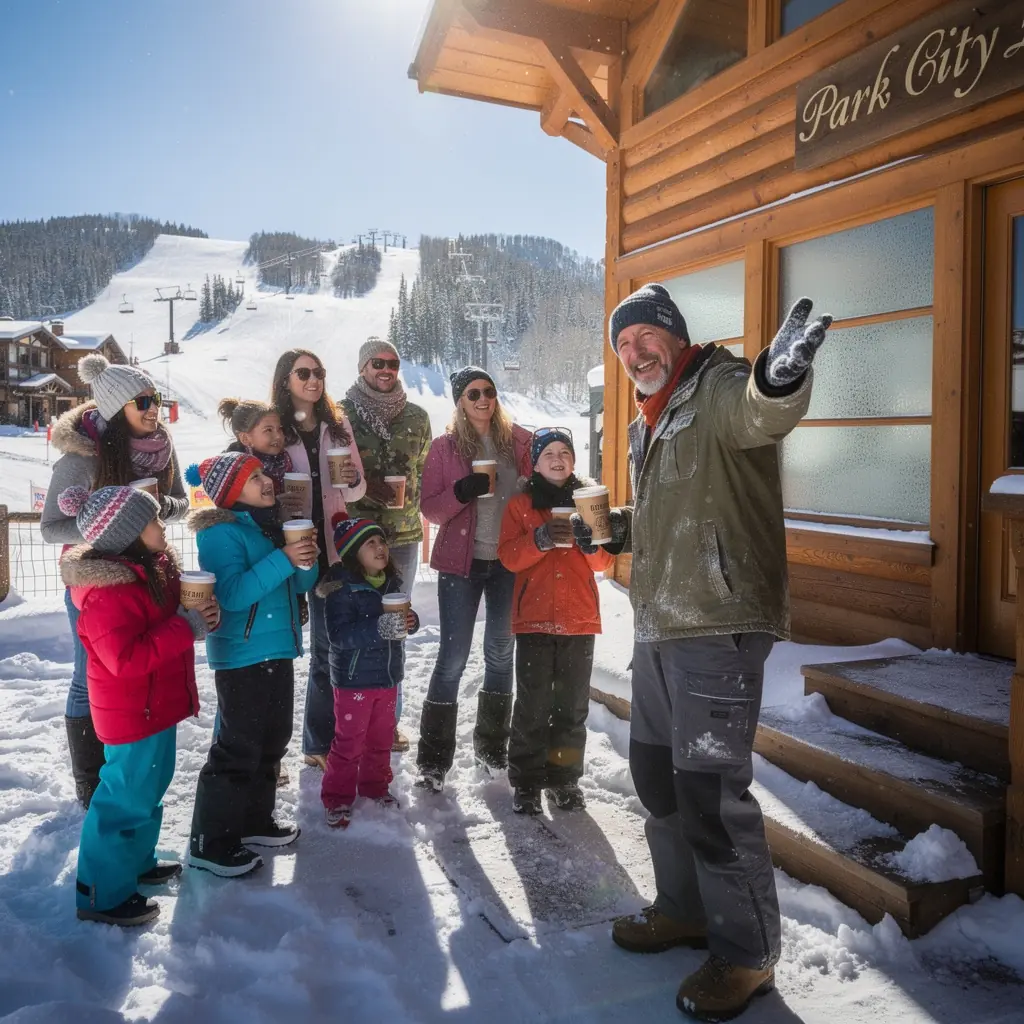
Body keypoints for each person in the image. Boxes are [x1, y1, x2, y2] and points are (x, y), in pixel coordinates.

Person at [574, 284, 831, 1021]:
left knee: (713, 798)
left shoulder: (717, 385)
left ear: (674, 336)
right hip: (659, 624)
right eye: (622, 346)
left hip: (716, 626)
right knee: (658, 779)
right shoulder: (645, 423)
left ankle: (747, 955)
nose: (634, 354)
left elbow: (761, 413)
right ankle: (685, 909)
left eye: (646, 337)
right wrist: (618, 529)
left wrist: (780, 378)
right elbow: (679, 510)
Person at [59, 484, 216, 926]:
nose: (161, 527)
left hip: (154, 706)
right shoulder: (108, 593)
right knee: (122, 800)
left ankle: (135, 863)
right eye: (152, 522)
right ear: (127, 535)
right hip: (131, 713)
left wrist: (196, 613)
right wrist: (186, 628)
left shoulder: (151, 570)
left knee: (149, 789)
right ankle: (100, 895)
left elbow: (167, 621)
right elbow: (125, 659)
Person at [40, 353, 189, 809]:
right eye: (142, 401)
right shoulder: (82, 456)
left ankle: (128, 766)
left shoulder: (161, 446)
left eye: (156, 399)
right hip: (95, 577)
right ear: (114, 409)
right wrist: (111, 522)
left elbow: (182, 502)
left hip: (147, 574)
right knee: (90, 675)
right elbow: (51, 528)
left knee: (139, 670)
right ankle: (91, 781)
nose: (153, 409)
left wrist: (160, 509)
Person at [185, 453, 318, 877]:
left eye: (264, 474)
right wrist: (282, 557)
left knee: (272, 739)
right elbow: (233, 595)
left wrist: (305, 561)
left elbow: (297, 585)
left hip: (277, 648)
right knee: (238, 747)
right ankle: (211, 841)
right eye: (255, 477)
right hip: (241, 655)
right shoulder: (220, 534)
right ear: (229, 492)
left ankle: (252, 822)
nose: (267, 482)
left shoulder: (267, 526)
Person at [416, 367, 532, 791]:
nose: (483, 399)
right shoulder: (445, 448)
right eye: (472, 393)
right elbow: (429, 508)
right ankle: (432, 764)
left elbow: (537, 488)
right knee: (452, 658)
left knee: (501, 655)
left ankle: (491, 752)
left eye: (488, 391)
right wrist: (461, 492)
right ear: (459, 401)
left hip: (507, 560)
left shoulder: (519, 441)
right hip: (460, 565)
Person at [497, 428, 612, 815]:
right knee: (532, 704)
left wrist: (587, 540)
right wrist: (540, 539)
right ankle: (526, 783)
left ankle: (564, 780)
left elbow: (603, 563)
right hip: (535, 620)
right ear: (536, 463)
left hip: (579, 619)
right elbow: (510, 558)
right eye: (549, 453)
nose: (558, 459)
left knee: (571, 706)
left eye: (565, 452)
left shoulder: (590, 503)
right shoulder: (520, 505)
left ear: (574, 460)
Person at [270, 349, 366, 772]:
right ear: (285, 379)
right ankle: (266, 754)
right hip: (286, 550)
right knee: (272, 653)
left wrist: (353, 480)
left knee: (327, 650)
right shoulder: (274, 426)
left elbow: (358, 490)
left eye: (319, 372)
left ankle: (318, 743)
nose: (313, 380)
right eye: (303, 373)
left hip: (332, 550)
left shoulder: (337, 424)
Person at [341, 337, 431, 753]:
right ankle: (345, 723)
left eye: (392, 362)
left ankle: (388, 723)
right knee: (353, 627)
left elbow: (427, 471)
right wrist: (362, 488)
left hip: (404, 536)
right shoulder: (342, 417)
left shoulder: (417, 417)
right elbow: (334, 478)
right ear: (362, 367)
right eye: (377, 362)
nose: (386, 369)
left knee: (395, 627)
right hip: (355, 536)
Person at [317, 517, 420, 829]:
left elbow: (398, 623)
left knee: (380, 739)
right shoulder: (342, 590)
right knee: (349, 743)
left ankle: (375, 787)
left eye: (381, 542)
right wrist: (379, 628)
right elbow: (339, 635)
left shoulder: (392, 585)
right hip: (354, 682)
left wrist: (409, 621)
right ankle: (336, 797)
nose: (380, 548)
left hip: (388, 677)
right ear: (352, 554)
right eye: (370, 544)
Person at [218, 397, 292, 491]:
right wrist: (276, 503)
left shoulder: (284, 460)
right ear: (245, 439)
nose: (278, 436)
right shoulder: (233, 472)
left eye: (279, 429)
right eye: (268, 430)